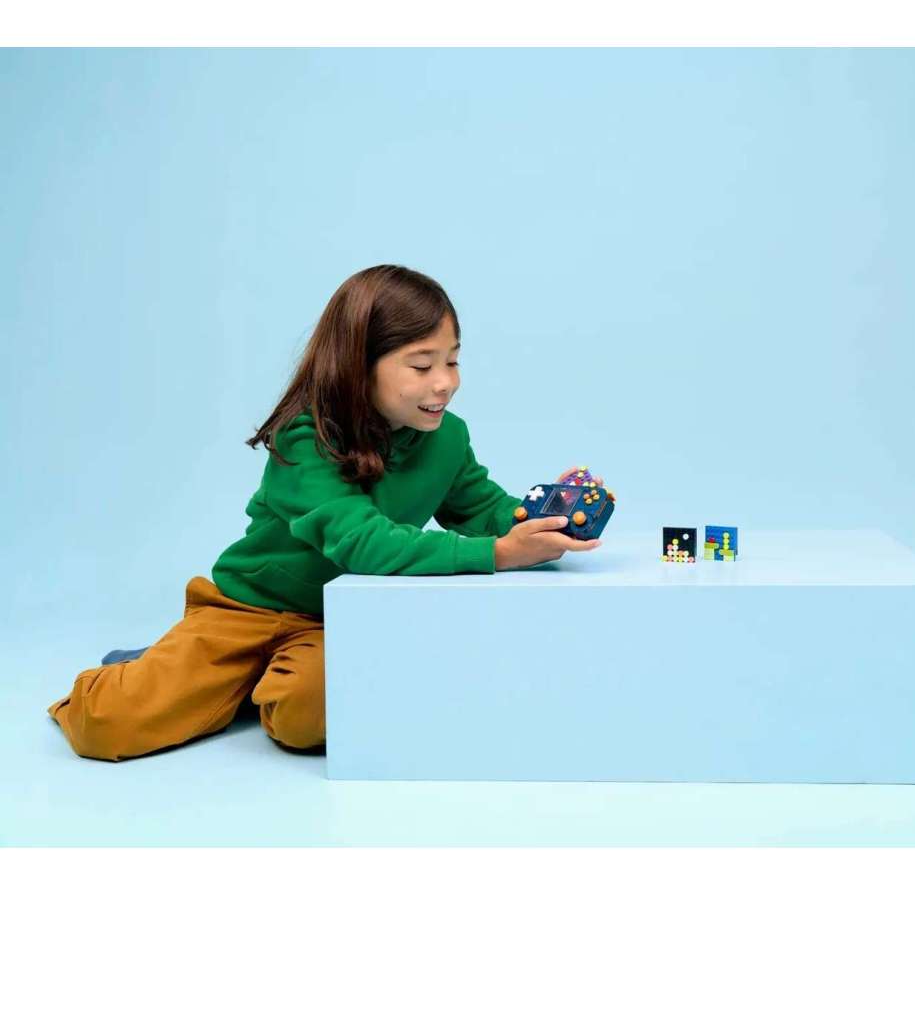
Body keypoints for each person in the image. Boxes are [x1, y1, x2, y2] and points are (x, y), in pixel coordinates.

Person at [46, 264, 602, 762]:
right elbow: (361, 541)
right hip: (248, 606)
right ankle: (149, 670)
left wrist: (548, 516)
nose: (445, 382)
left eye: (453, 360)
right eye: (422, 365)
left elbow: (481, 508)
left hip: (334, 618)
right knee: (106, 728)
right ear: (360, 367)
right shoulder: (306, 437)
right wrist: (497, 555)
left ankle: (240, 685)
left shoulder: (447, 438)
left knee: (307, 722)